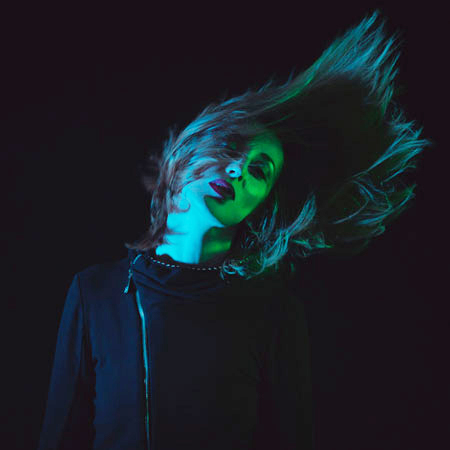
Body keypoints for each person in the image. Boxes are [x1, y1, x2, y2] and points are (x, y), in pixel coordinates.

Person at [37, 10, 433, 450]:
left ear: (260, 203)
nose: (239, 168)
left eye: (259, 170)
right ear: (188, 150)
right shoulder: (94, 294)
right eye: (231, 146)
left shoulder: (273, 313)